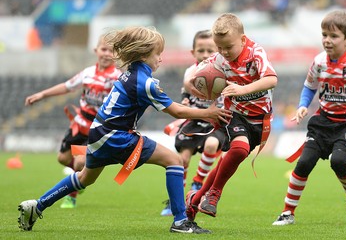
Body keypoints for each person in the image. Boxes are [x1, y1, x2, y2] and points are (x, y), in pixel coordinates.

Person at [18, 26, 231, 234]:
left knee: (85, 178)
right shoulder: (145, 82)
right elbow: (175, 111)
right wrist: (208, 113)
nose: (160, 59)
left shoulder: (129, 73)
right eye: (158, 54)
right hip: (116, 136)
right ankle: (181, 221)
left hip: (99, 133)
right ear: (144, 55)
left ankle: (36, 206)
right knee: (174, 161)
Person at [272, 10, 346, 226]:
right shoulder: (319, 61)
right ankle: (287, 213)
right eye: (324, 35)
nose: (327, 41)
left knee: (338, 162)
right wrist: (303, 105)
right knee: (304, 163)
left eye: (334, 36)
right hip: (322, 122)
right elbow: (309, 86)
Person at [184, 13, 278, 220]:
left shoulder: (255, 53)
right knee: (239, 148)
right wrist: (197, 86)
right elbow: (194, 79)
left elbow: (271, 79)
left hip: (260, 119)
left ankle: (196, 199)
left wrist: (242, 89)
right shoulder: (218, 59)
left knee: (233, 157)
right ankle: (214, 195)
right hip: (234, 114)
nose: (224, 52)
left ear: (243, 40)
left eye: (228, 47)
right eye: (220, 47)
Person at [24, 34, 122, 209]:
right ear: (96, 50)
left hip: (97, 128)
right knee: (62, 158)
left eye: (112, 51)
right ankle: (82, 177)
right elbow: (67, 86)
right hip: (79, 124)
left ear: (117, 55)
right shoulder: (88, 72)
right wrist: (42, 94)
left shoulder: (117, 77)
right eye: (104, 49)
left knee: (78, 162)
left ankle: (72, 196)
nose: (107, 54)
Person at [161, 30, 226, 216]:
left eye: (210, 51)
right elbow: (185, 91)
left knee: (212, 144)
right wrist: (185, 101)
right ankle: (176, 199)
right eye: (201, 50)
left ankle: (198, 184)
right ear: (193, 53)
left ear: (218, 51)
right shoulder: (190, 72)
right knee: (183, 159)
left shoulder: (224, 70)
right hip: (196, 119)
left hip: (216, 120)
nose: (205, 55)